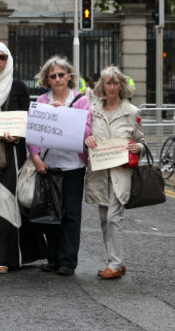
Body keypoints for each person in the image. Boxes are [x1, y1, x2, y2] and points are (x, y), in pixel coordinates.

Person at [0, 42, 46, 273]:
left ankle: (6, 257)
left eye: (3, 57)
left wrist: (15, 136)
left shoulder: (18, 88)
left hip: (10, 153)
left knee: (4, 202)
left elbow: (26, 122)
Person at [29, 56, 92, 276]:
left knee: (71, 214)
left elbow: (86, 132)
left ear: (69, 77)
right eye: (52, 76)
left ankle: (67, 261)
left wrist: (62, 114)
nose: (57, 79)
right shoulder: (41, 102)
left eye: (61, 75)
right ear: (47, 79)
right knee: (50, 212)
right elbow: (33, 135)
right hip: (49, 165)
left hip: (74, 166)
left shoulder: (81, 101)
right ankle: (53, 258)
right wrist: (36, 158)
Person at [84, 66, 144, 279]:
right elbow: (84, 135)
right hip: (99, 173)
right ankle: (115, 260)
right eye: (108, 83)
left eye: (115, 83)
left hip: (120, 173)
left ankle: (115, 265)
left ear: (121, 86)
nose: (111, 87)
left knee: (113, 217)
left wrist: (139, 148)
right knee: (103, 218)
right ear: (102, 86)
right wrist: (86, 139)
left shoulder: (132, 112)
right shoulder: (92, 110)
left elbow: (140, 140)